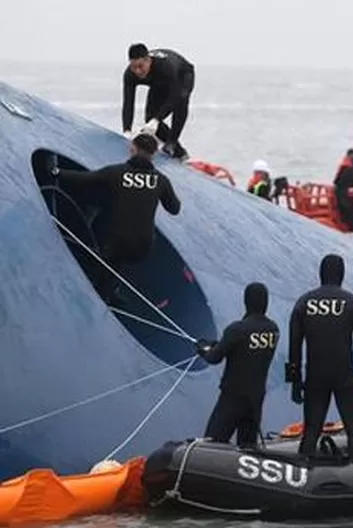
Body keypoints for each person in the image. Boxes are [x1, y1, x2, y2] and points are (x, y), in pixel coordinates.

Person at [49, 133, 181, 306]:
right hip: (143, 248)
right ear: (154, 154)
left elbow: (84, 180)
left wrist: (56, 171)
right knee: (124, 246)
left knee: (110, 232)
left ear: (132, 149)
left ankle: (100, 294)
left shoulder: (116, 173)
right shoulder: (161, 180)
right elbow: (175, 209)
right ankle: (112, 288)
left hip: (117, 244)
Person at [287, 254, 353, 462]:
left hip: (315, 376)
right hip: (345, 375)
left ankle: (301, 475)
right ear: (342, 275)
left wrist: (294, 380)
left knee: (311, 432)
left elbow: (294, 345)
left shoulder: (303, 302)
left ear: (320, 274)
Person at [196, 282, 280, 447]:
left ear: (246, 301)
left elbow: (214, 358)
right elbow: (245, 348)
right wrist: (220, 345)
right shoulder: (273, 330)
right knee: (247, 447)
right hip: (255, 400)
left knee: (212, 445)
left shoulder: (236, 330)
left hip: (232, 398)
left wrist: (203, 349)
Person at [122, 43, 195, 160]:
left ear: (148, 61)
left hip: (182, 75)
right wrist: (126, 130)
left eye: (140, 66)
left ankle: (172, 144)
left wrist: (157, 119)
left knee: (181, 99)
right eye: (133, 67)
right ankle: (179, 152)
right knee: (149, 118)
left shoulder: (165, 67)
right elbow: (128, 103)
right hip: (158, 82)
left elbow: (174, 97)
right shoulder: (130, 74)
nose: (138, 71)